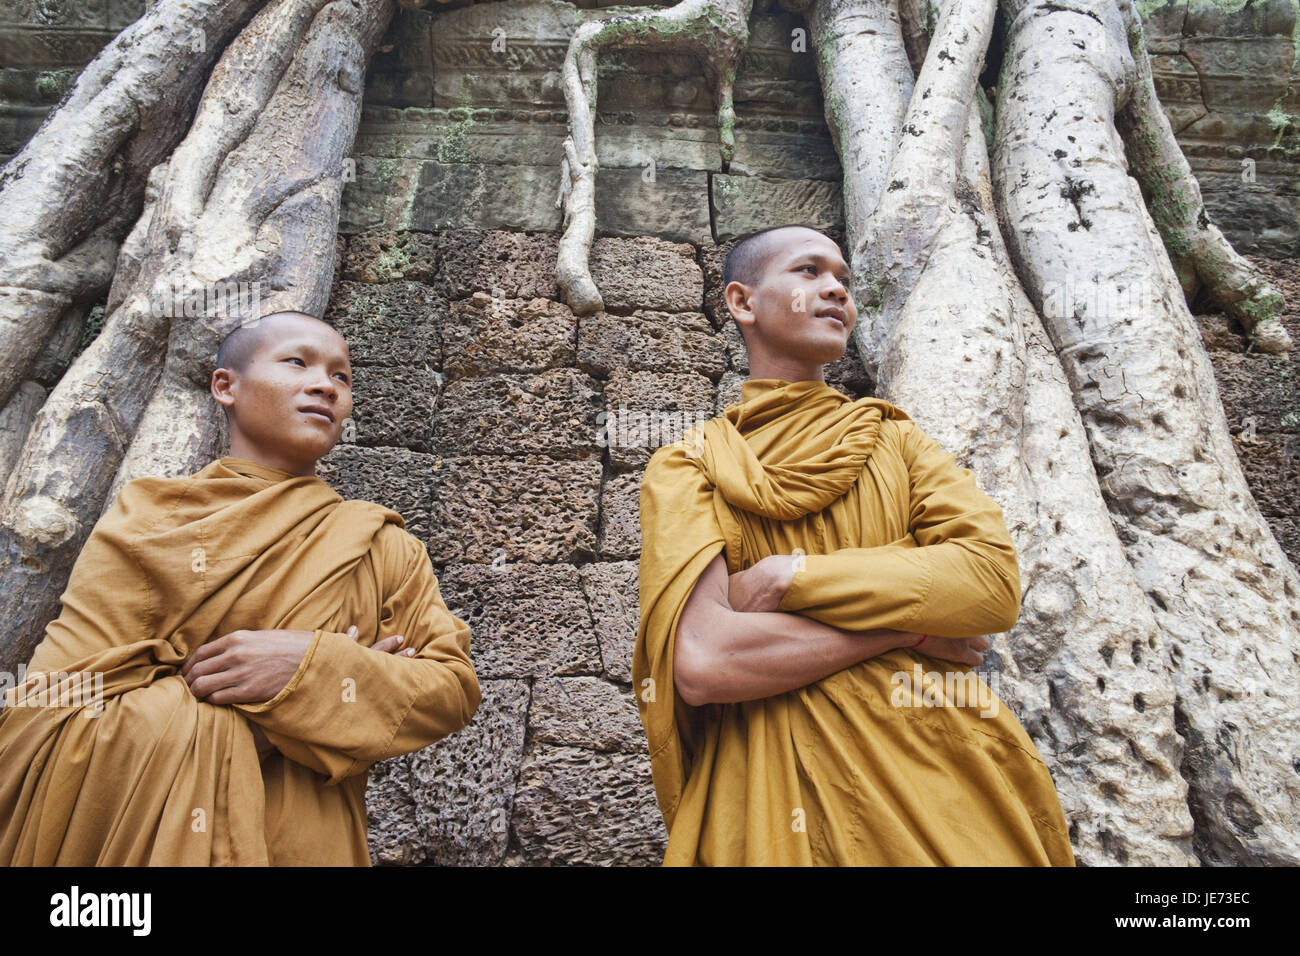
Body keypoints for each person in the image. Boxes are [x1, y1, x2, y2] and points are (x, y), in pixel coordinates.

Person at [635, 224, 1075, 865]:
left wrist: (792, 577)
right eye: (808, 271)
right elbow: (705, 662)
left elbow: (991, 584)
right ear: (742, 302)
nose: (835, 288)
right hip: (764, 794)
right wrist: (906, 632)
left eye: (843, 278)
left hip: (943, 778)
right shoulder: (688, 466)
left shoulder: (898, 442)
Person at [0, 311, 480, 865]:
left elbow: (450, 687)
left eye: (342, 377)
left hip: (302, 846)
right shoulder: (151, 523)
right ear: (225, 386)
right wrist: (286, 714)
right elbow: (48, 712)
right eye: (297, 362)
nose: (325, 385)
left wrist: (312, 666)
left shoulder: (380, 544)